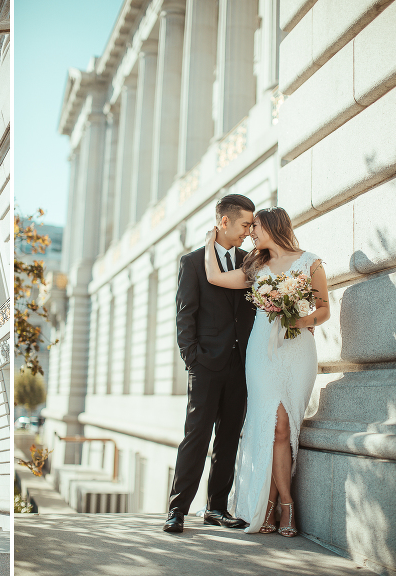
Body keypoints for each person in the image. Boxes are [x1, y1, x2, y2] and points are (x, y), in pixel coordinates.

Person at [202, 206, 329, 536]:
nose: (250, 233)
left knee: (285, 427)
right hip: (261, 352)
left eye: (255, 227)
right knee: (272, 427)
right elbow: (215, 277)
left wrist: (297, 318)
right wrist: (209, 241)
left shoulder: (310, 262)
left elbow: (324, 309)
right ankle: (282, 505)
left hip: (297, 348)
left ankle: (275, 505)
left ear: (272, 226)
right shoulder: (254, 265)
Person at [164, 194, 257, 534]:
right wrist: (193, 359)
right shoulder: (191, 262)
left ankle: (216, 508)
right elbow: (184, 316)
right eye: (245, 224)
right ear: (224, 222)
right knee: (195, 437)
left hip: (242, 365)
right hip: (205, 366)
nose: (249, 231)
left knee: (229, 438)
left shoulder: (251, 262)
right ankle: (177, 510)